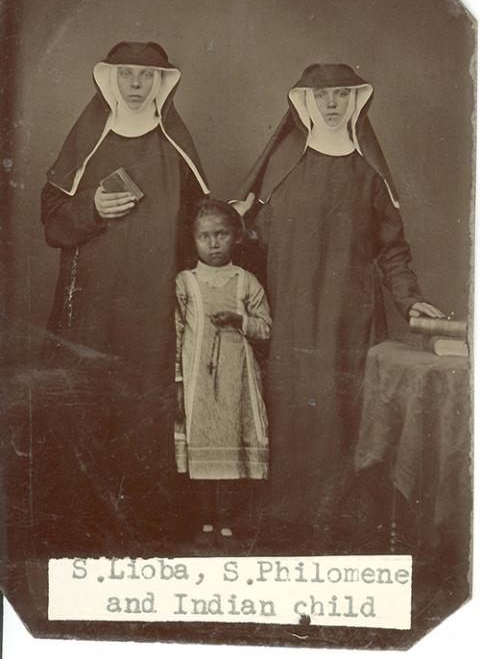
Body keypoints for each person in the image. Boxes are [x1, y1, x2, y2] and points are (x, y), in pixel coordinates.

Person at [234, 63, 443, 547]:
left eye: (341, 95)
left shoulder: (368, 171)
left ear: (355, 101)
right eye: (321, 95)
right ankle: (288, 520)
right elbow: (248, 240)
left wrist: (410, 300)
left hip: (352, 316)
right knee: (293, 413)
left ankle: (345, 525)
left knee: (349, 414)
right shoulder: (282, 166)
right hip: (291, 315)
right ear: (306, 101)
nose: (331, 104)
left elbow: (392, 248)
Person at [38, 41, 209, 554]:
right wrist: (91, 208)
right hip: (88, 306)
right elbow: (51, 223)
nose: (137, 85)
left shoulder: (174, 146)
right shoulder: (89, 138)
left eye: (148, 77)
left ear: (162, 85)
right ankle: (78, 527)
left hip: (151, 307)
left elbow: (199, 226)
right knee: (85, 405)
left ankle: (146, 529)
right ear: (112, 80)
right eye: (128, 75)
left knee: (143, 409)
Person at [175, 199, 271, 546]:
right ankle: (205, 522)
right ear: (194, 240)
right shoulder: (185, 283)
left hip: (236, 380)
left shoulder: (246, 282)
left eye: (222, 235)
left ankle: (227, 523)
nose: (213, 244)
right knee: (202, 447)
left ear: (237, 237)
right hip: (198, 379)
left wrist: (239, 320)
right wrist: (178, 381)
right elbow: (175, 333)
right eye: (205, 237)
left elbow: (266, 327)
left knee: (231, 446)